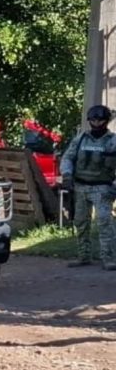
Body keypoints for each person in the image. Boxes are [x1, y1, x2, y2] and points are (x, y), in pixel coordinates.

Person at [60, 105, 116, 270]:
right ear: (89, 121)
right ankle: (84, 256)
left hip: (103, 188)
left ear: (106, 121)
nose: (96, 123)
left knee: (104, 222)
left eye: (100, 120)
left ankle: (109, 258)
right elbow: (67, 158)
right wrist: (67, 175)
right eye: (93, 120)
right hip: (80, 186)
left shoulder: (112, 141)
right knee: (80, 222)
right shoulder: (80, 139)